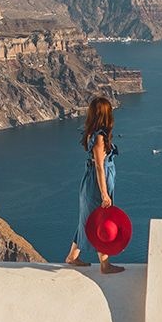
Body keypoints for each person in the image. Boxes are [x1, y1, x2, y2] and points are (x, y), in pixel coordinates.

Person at [66, 95, 124, 274]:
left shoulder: (95, 134)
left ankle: (72, 257)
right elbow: (99, 166)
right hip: (97, 184)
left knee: (87, 219)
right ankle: (105, 265)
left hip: (95, 182)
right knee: (101, 220)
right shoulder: (99, 138)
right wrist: (105, 194)